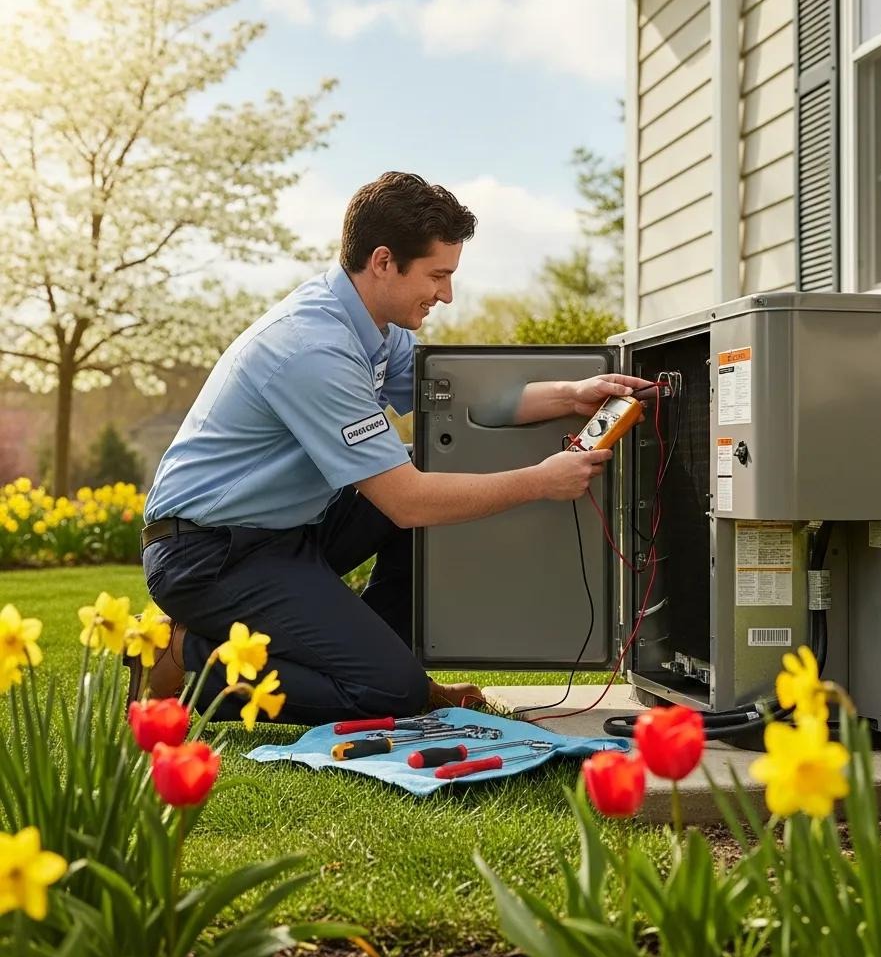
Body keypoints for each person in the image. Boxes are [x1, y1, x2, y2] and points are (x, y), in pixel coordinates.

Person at [134, 171, 650, 724]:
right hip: (207, 554)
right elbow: (408, 502)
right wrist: (540, 481)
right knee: (388, 693)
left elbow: (460, 401)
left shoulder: (380, 329)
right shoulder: (313, 348)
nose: (446, 294)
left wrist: (569, 394)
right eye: (437, 275)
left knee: (429, 458)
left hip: (285, 533)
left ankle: (376, 655)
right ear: (383, 261)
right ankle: (183, 655)